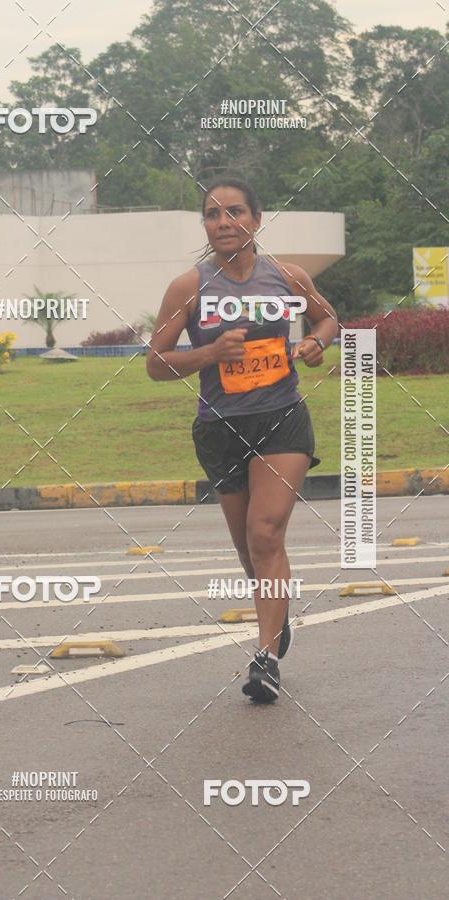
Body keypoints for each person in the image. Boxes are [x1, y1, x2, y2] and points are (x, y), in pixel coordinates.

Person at [146, 176, 338, 702]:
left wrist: (316, 344)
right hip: (220, 427)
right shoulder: (190, 287)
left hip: (281, 418)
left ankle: (266, 657)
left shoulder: (287, 276)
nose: (223, 222)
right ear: (204, 226)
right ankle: (275, 614)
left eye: (234, 212)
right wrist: (209, 354)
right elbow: (155, 365)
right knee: (248, 550)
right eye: (212, 214)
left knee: (266, 532)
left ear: (256, 219)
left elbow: (327, 317)